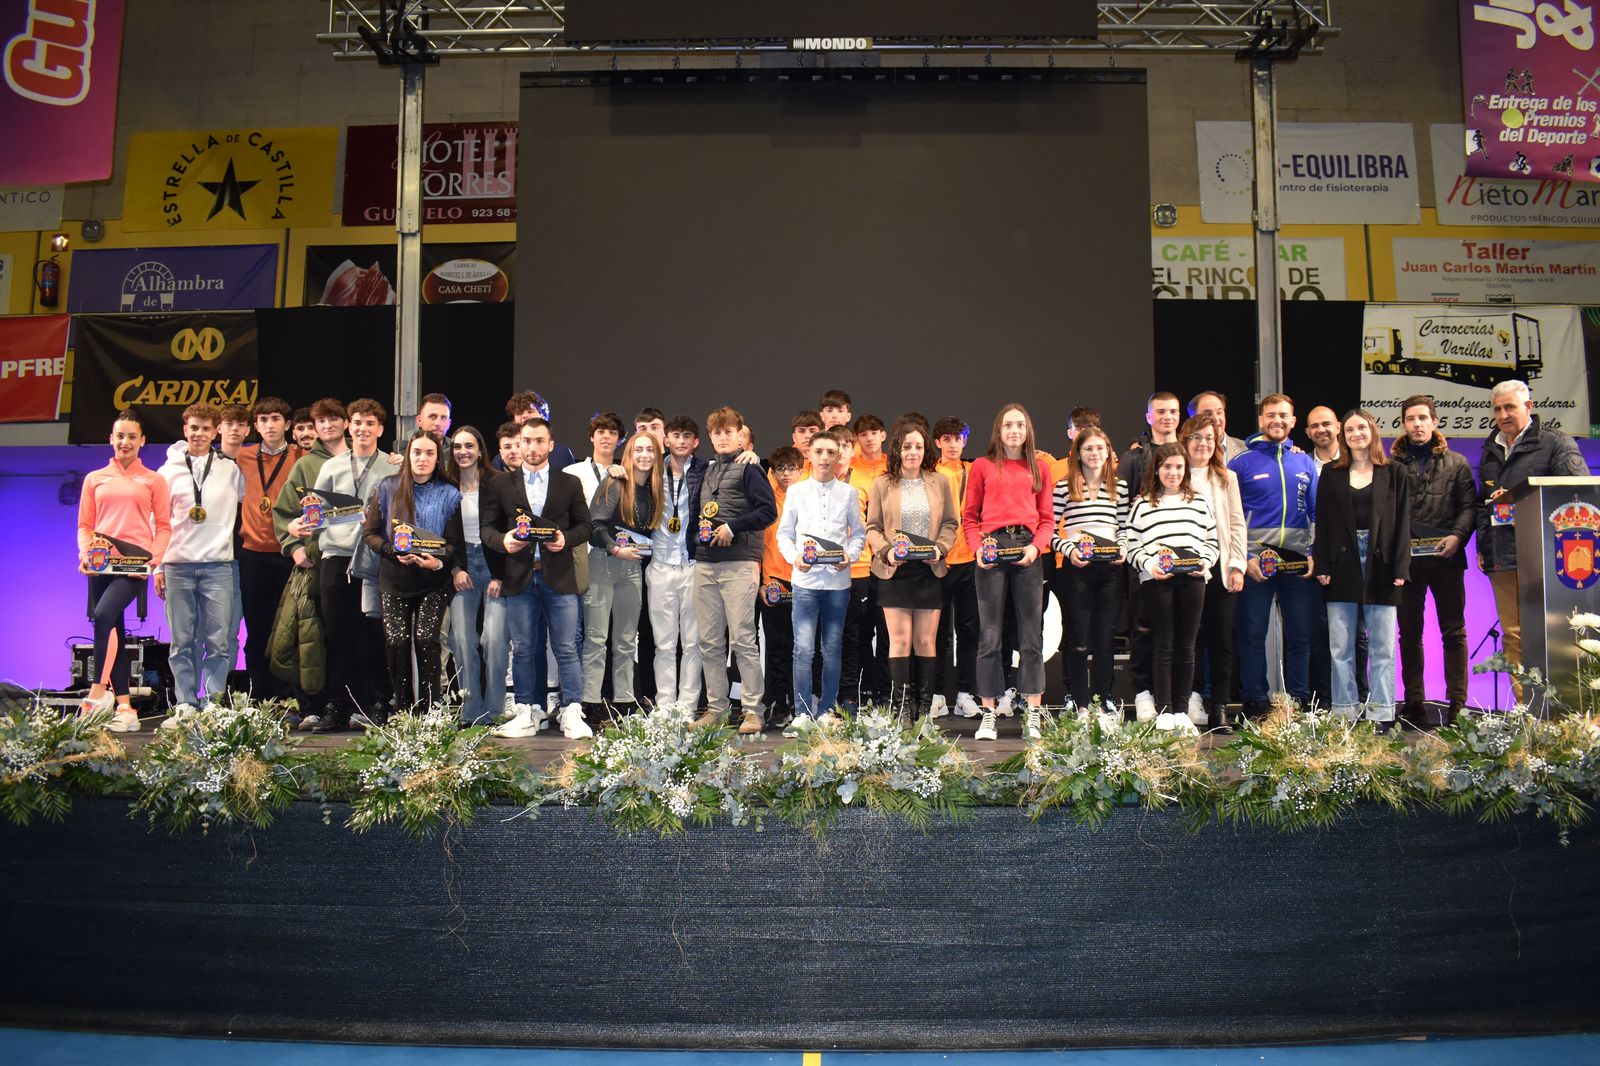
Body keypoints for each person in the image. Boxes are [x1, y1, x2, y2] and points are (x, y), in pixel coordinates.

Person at [288, 398, 399, 732]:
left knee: (374, 635)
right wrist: (298, 527)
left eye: (370, 424)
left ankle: (378, 702)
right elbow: (315, 513)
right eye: (357, 423)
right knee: (336, 634)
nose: (362, 429)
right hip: (335, 557)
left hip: (375, 559)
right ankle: (338, 704)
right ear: (349, 428)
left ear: (380, 429)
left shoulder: (393, 468)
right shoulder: (332, 467)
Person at [1477, 380, 1589, 693]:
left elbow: (1578, 494)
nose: (1502, 415)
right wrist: (1484, 546)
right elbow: (1481, 505)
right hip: (1503, 555)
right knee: (1514, 635)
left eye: (1509, 407)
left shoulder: (1555, 443)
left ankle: (1567, 713)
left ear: (1528, 406)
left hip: (1549, 557)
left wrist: (1516, 501)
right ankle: (1527, 714)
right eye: (1497, 409)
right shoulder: (1490, 449)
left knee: (1559, 633)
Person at [486, 417, 593, 739]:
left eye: (539, 441)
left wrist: (566, 539)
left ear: (550, 445)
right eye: (526, 441)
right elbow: (486, 529)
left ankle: (571, 710)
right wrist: (503, 540)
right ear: (518, 444)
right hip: (519, 578)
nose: (532, 447)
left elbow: (585, 526)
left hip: (559, 578)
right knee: (523, 649)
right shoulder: (500, 485)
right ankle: (527, 711)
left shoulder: (569, 483)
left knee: (566, 648)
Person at [961, 404, 1054, 742]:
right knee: (990, 636)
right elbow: (970, 517)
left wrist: (1035, 548)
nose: (1014, 431)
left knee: (1031, 635)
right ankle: (988, 713)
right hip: (991, 551)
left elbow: (1047, 519)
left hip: (1027, 550)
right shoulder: (983, 467)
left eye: (1020, 425)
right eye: (1008, 425)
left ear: (1027, 429)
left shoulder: (1040, 467)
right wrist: (976, 550)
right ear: (998, 431)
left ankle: (1032, 712)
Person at [1314, 409, 1411, 729]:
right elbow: (1324, 522)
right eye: (1351, 429)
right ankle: (1344, 710)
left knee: (1383, 645)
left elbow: (1402, 523)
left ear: (1372, 431)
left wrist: (1401, 565)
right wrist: (1323, 564)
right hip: (1341, 563)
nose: (1357, 434)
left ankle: (1382, 710)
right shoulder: (1330, 473)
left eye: (1362, 428)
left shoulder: (1394, 471)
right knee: (1340, 645)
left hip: (1382, 564)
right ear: (1344, 435)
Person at [76, 410, 171, 732]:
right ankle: (125, 708)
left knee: (103, 617)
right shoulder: (95, 478)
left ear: (142, 441)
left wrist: (152, 561)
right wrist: (85, 554)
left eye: (132, 436)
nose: (125, 442)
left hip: (133, 567)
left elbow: (164, 528)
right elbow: (85, 526)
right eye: (120, 435)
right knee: (111, 628)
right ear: (111, 439)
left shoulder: (154, 480)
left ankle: (97, 692)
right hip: (101, 565)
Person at [1230, 393, 1320, 717]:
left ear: (1293, 421)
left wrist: (1313, 555)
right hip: (1257, 566)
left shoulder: (1304, 462)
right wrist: (1246, 559)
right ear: (1261, 420)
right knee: (1252, 634)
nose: (1277, 421)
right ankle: (1256, 701)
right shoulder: (1240, 464)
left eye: (1283, 415)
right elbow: (1231, 517)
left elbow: (1316, 512)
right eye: (1271, 415)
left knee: (1299, 635)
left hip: (1297, 565)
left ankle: (1297, 700)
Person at [1390, 395, 1478, 728]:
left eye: (1423, 418)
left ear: (1434, 422)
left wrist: (1457, 537)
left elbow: (1470, 507)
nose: (1417, 424)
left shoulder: (1457, 463)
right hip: (1407, 564)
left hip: (1447, 562)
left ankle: (1458, 704)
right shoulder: (1391, 466)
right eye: (1410, 418)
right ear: (1404, 423)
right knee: (1408, 635)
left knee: (1454, 632)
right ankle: (1414, 702)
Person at [363, 431, 464, 712]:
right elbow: (370, 534)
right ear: (407, 456)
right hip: (394, 578)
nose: (422, 458)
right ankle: (404, 711)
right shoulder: (386, 487)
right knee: (397, 642)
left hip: (433, 579)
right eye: (417, 452)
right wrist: (392, 551)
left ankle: (430, 711)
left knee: (426, 640)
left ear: (438, 458)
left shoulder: (449, 493)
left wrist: (437, 561)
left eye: (429, 453)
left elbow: (454, 543)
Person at [865, 418, 959, 720]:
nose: (913, 452)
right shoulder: (882, 483)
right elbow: (873, 528)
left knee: (926, 641)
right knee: (900, 641)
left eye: (918, 446)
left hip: (930, 572)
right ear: (897, 449)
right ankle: (902, 706)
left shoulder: (941, 481)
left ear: (925, 450)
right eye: (907, 446)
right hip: (895, 573)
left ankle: (923, 708)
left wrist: (940, 549)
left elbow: (950, 524)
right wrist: (887, 551)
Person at [156, 402, 245, 716]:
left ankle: (214, 702)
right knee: (182, 641)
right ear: (185, 430)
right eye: (194, 427)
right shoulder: (165, 473)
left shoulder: (231, 469)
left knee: (219, 641)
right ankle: (185, 702)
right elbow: (158, 522)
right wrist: (158, 566)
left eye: (206, 428)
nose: (199, 434)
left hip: (218, 566)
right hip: (177, 565)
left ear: (215, 431)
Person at [692, 406, 777, 732]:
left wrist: (733, 527)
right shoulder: (709, 470)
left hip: (739, 564)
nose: (723, 437)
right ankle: (717, 709)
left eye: (729, 432)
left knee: (742, 640)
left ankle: (754, 709)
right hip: (706, 563)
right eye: (717, 432)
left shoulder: (750, 468)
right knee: (709, 642)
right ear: (710, 436)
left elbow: (768, 511)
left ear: (740, 434)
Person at [779, 430, 867, 732]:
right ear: (809, 455)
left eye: (831, 452)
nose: (825, 458)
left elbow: (858, 534)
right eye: (819, 452)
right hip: (805, 583)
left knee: (832, 649)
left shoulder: (849, 493)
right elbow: (784, 535)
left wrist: (850, 555)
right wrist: (795, 557)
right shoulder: (796, 492)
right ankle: (803, 712)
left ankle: (828, 710)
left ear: (839, 455)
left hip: (838, 584)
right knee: (803, 649)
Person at [1123, 442, 1219, 720]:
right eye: (1167, 467)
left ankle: (1181, 710)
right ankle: (1164, 710)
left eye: (1179, 467)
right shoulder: (1142, 504)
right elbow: (1131, 543)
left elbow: (1212, 541)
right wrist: (1150, 565)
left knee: (1187, 646)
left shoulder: (1199, 502)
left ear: (1185, 470)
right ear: (1156, 470)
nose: (1173, 472)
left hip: (1192, 581)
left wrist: (1205, 561)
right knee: (1163, 645)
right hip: (1157, 581)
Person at [582, 430, 661, 717]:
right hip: (604, 563)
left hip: (633, 568)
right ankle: (590, 701)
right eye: (638, 449)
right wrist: (616, 549)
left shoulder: (654, 489)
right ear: (628, 453)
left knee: (627, 640)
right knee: (596, 637)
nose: (644, 455)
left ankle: (625, 700)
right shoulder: (615, 481)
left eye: (650, 450)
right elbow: (595, 527)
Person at [1051, 425, 1129, 712]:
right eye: (1088, 448)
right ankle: (1081, 703)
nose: (1095, 453)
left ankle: (1103, 700)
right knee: (1079, 639)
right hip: (1077, 571)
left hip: (1110, 571)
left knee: (1104, 639)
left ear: (1108, 451)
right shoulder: (1064, 487)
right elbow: (1049, 531)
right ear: (1078, 454)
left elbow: (1125, 528)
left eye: (1100, 447)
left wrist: (1123, 547)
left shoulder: (1119, 487)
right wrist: (1069, 550)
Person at [1180, 413, 1246, 726]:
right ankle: (1191, 700)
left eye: (1209, 438)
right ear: (1185, 441)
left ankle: (1220, 705)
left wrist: (1237, 566)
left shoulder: (1226, 477)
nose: (1204, 443)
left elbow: (1236, 523)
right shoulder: (1174, 475)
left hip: (1220, 569)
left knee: (1221, 639)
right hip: (1185, 570)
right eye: (1197, 437)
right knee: (1189, 639)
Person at [1120, 391, 1182, 720]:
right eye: (1160, 412)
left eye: (1172, 411)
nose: (1167, 417)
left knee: (1184, 634)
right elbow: (1125, 509)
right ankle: (1143, 693)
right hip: (1145, 563)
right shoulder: (1133, 458)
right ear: (1149, 417)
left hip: (1184, 565)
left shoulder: (1188, 454)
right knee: (1144, 630)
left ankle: (1180, 697)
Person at [235, 397, 301, 699]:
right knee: (257, 630)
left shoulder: (301, 456)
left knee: (290, 629)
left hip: (289, 554)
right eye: (263, 420)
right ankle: (258, 696)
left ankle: (288, 697)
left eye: (275, 419)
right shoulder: (242, 456)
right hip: (252, 556)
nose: (269, 425)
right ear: (256, 426)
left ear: (287, 424)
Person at [444, 426, 507, 725]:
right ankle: (471, 710)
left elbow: (510, 532)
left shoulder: (498, 483)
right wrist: (455, 568)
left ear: (481, 450)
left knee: (494, 638)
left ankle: (495, 710)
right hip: (461, 568)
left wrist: (502, 576)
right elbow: (441, 533)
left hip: (495, 568)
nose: (463, 451)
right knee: (462, 639)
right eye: (457, 446)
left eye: (469, 446)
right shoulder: (445, 485)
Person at [646, 414, 707, 711]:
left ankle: (687, 704)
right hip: (660, 563)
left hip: (693, 564)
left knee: (693, 642)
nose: (681, 441)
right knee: (664, 644)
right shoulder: (652, 468)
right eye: (676, 436)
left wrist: (749, 454)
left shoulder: (707, 470)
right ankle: (665, 704)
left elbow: (739, 468)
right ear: (666, 439)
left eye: (687, 436)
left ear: (695, 442)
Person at [932, 416, 980, 719]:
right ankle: (937, 693)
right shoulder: (928, 473)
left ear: (964, 442)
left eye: (958, 438)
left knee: (969, 629)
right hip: (937, 560)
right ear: (937, 442)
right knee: (936, 632)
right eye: (946, 439)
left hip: (970, 560)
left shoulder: (975, 471)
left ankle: (965, 693)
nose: (952, 444)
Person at [761, 446, 806, 731]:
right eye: (780, 469)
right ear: (773, 472)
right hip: (775, 580)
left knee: (805, 647)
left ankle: (805, 703)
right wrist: (764, 582)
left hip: (806, 580)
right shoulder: (765, 503)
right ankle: (779, 702)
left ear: (802, 470)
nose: (786, 474)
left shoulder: (811, 499)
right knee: (777, 646)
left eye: (792, 468)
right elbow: (761, 546)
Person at [1188, 391, 1249, 463]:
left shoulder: (1245, 450)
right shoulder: (1183, 451)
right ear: (1193, 418)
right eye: (1208, 414)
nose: (1216, 419)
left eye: (1219, 412)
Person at [1305, 405, 1341, 472]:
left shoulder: (1353, 459)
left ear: (1338, 428)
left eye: (1326, 424)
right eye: (1314, 426)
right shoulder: (1302, 464)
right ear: (1308, 433)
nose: (1321, 430)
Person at [852, 414, 888, 479]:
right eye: (863, 435)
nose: (869, 438)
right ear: (857, 439)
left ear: (883, 436)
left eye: (874, 433)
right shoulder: (849, 468)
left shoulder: (895, 466)